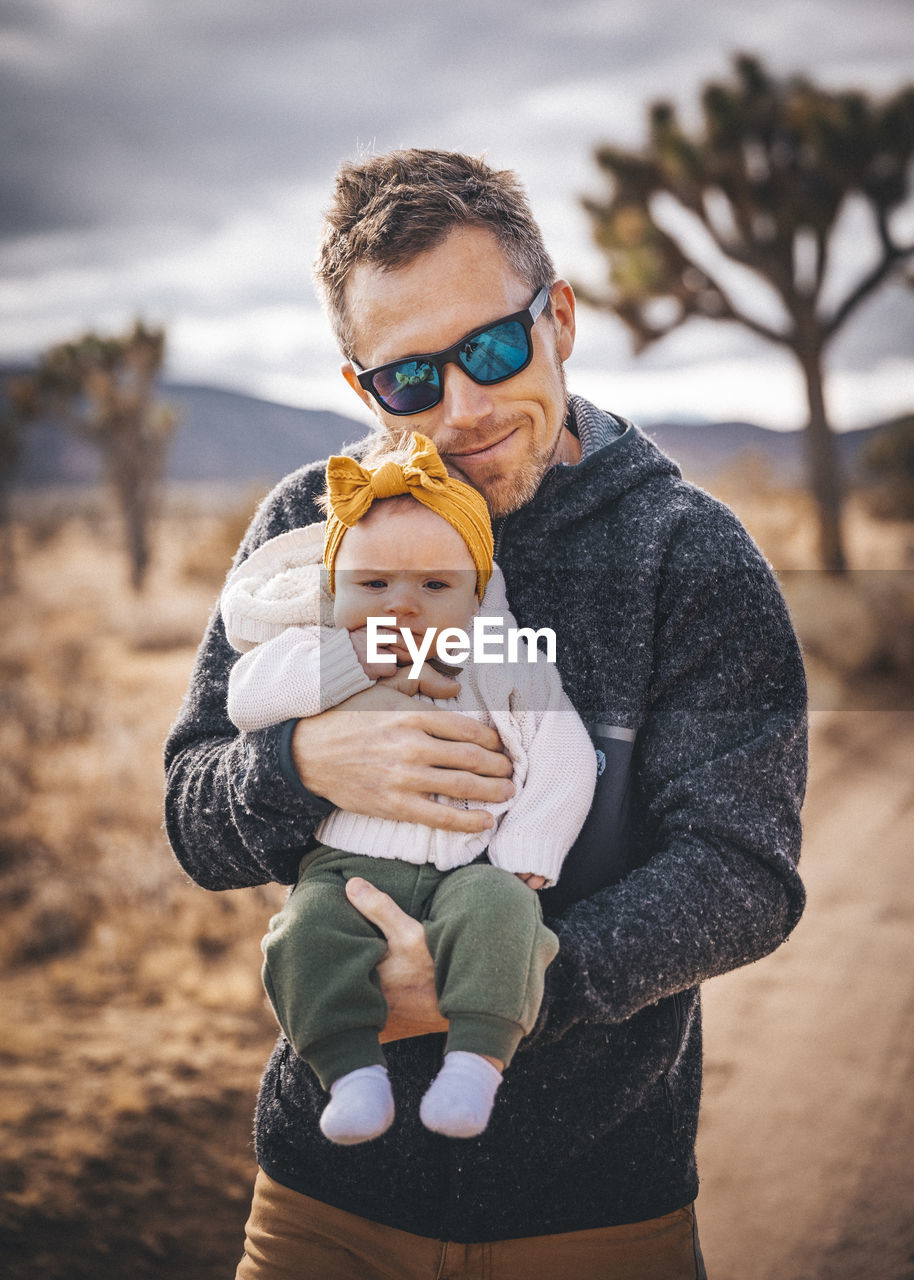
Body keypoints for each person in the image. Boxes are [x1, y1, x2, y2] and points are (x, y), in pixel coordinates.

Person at [164, 148, 807, 1280]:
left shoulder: (685, 553)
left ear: (557, 315)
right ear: (362, 387)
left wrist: (494, 989)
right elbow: (191, 809)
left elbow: (743, 870)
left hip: (597, 1211)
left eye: (492, 347)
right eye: (410, 379)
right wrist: (303, 759)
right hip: (323, 1201)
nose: (460, 408)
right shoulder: (308, 527)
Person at [219, 432, 596, 1145]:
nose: (403, 607)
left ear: (477, 589)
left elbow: (562, 751)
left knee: (506, 916)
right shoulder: (318, 649)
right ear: (335, 588)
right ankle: (351, 1072)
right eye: (374, 585)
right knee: (303, 937)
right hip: (345, 869)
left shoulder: (502, 659)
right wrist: (344, 663)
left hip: (470, 866)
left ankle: (477, 1064)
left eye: (434, 586)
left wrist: (526, 849)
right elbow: (246, 694)